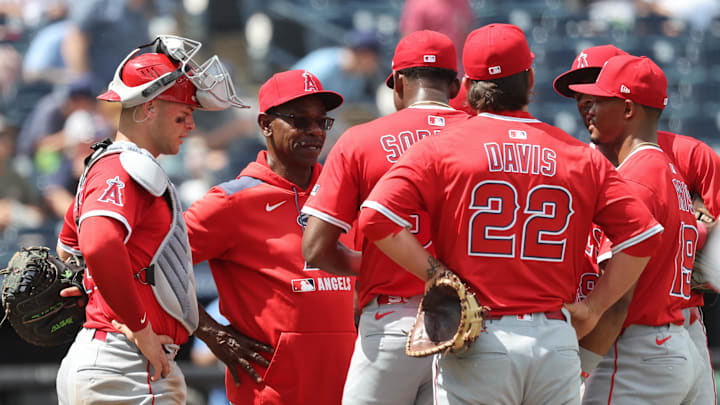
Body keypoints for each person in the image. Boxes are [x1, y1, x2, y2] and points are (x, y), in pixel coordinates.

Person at [356, 23, 664, 404]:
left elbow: (375, 218)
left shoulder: (441, 149)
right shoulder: (578, 155)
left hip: (480, 336)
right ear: (530, 79)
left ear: (467, 86)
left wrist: (437, 275)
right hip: (555, 339)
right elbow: (644, 236)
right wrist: (594, 307)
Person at [54, 35, 262, 404]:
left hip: (114, 359)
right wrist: (139, 326)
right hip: (127, 364)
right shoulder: (125, 166)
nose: (191, 126)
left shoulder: (108, 165)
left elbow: (68, 249)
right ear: (149, 108)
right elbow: (99, 244)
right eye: (183, 115)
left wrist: (98, 291)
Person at [301, 29, 469, 405]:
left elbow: (313, 248)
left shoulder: (361, 139)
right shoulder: (485, 140)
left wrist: (377, 263)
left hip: (391, 322)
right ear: (455, 85)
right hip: (471, 325)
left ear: (399, 85)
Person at [554, 44, 719, 404]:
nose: (585, 101)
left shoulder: (675, 159)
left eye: (597, 87)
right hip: (638, 331)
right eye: (579, 92)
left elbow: (619, 301)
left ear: (626, 102)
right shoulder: (582, 162)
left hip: (650, 329)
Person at [184, 69, 357, 405]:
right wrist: (209, 331)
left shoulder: (344, 193)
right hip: (269, 393)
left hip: (347, 389)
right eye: (299, 120)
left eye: (322, 122)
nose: (314, 131)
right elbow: (153, 262)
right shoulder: (231, 201)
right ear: (265, 124)